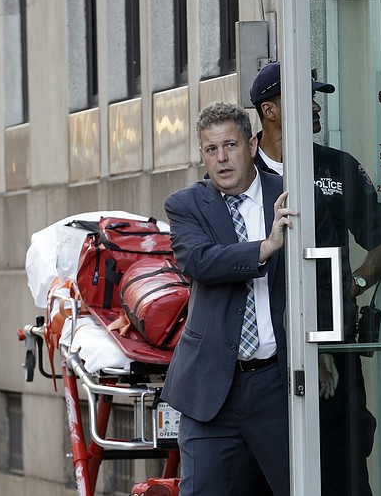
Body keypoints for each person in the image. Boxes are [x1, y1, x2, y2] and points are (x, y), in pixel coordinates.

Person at [249, 61, 381, 496]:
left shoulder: (337, 167)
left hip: (334, 344)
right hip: (266, 359)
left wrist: (347, 288)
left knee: (344, 468)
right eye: (304, 97)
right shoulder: (239, 171)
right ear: (270, 110)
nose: (316, 106)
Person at [160, 102, 297, 496]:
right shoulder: (186, 205)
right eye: (210, 150)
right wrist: (266, 246)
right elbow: (199, 261)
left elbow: (320, 275)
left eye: (230, 146)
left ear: (252, 145)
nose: (221, 159)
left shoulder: (288, 196)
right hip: (209, 389)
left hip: (277, 383)